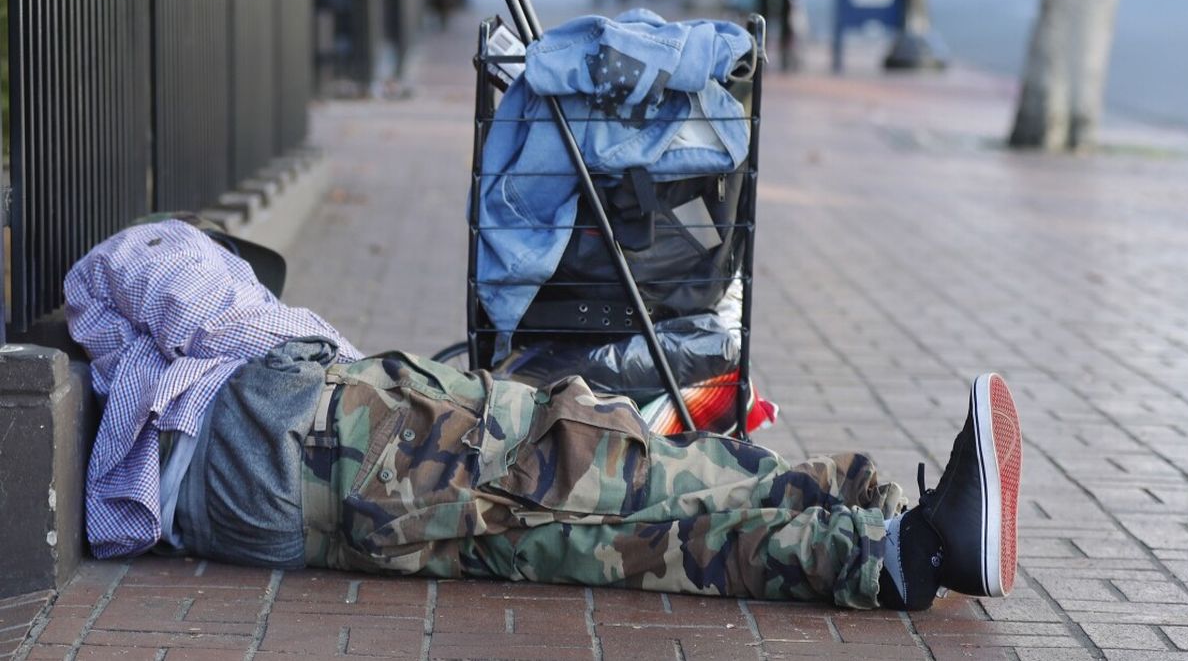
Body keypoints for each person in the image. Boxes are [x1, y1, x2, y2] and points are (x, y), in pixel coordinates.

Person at [66, 216, 1022, 612]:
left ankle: (892, 555)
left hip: (296, 514)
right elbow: (131, 273)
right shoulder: (172, 290)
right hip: (314, 435)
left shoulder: (133, 433)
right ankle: (886, 518)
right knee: (598, 459)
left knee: (613, 542)